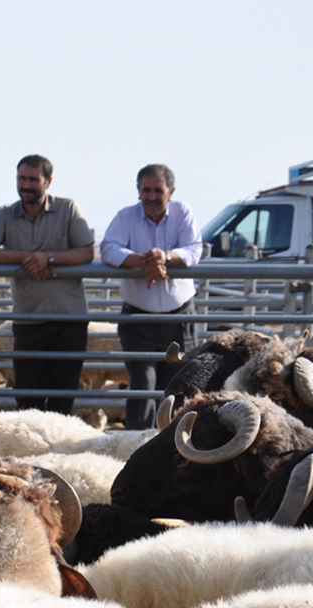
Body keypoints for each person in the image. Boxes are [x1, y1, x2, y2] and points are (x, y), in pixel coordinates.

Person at [0, 154, 95, 414]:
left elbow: (86, 252)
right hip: (28, 320)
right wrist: (27, 258)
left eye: (33, 180)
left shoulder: (68, 208)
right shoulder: (5, 214)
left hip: (69, 319)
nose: (26, 185)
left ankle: (60, 452)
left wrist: (48, 258)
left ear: (48, 182)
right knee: (28, 399)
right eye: (22, 178)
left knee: (63, 398)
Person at [101, 163, 203, 430]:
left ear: (171, 191)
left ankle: (175, 444)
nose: (151, 196)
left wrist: (164, 256)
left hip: (179, 315)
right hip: (138, 317)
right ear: (138, 192)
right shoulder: (126, 217)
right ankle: (136, 445)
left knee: (179, 383)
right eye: (145, 190)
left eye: (158, 190)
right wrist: (142, 261)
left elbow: (194, 250)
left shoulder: (183, 212)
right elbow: (108, 248)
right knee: (142, 385)